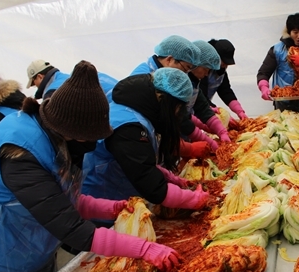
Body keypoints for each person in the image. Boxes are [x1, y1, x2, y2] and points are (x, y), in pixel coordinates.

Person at [0, 61, 182, 272]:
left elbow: (67, 198)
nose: (90, 146)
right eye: (88, 139)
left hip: (33, 239)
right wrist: (144, 249)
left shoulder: (57, 134)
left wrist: (111, 208)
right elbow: (70, 227)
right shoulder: (19, 151)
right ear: (70, 131)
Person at [82, 66, 209, 218]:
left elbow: (142, 160)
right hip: (103, 201)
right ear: (165, 100)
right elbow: (149, 183)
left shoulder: (140, 109)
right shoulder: (128, 127)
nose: (177, 114)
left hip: (119, 192)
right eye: (177, 108)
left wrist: (172, 178)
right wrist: (195, 199)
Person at [257, 12, 299, 114]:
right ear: (289, 32)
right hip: (283, 102)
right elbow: (264, 73)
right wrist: (264, 87)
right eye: (295, 32)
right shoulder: (277, 50)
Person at [181, 40, 231, 150]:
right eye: (206, 69)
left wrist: (221, 131)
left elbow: (202, 107)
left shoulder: (194, 82)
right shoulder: (181, 84)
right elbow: (180, 117)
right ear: (196, 64)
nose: (207, 74)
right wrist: (207, 139)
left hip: (185, 131)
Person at [199, 39, 248, 120]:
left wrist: (239, 110)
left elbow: (225, 91)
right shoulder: (201, 71)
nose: (225, 66)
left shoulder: (221, 72)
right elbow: (200, 96)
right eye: (224, 62)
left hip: (206, 109)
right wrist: (222, 115)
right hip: (196, 110)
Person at [27, 59, 118, 100]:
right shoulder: (68, 77)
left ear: (39, 77)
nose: (35, 86)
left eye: (33, 83)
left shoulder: (51, 93)